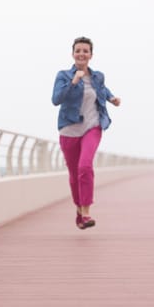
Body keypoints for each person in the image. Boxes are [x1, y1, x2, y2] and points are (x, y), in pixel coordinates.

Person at [52, 36, 121, 230]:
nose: (82, 54)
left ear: (91, 54)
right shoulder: (63, 75)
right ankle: (79, 211)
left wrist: (112, 98)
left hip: (93, 125)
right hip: (69, 129)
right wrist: (73, 82)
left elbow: (102, 89)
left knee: (84, 166)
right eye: (78, 50)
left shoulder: (98, 76)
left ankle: (87, 212)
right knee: (74, 175)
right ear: (73, 54)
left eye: (85, 51)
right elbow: (56, 99)